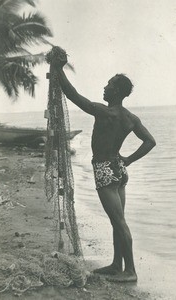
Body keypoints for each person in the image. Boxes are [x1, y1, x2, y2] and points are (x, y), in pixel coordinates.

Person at [56, 49, 156, 282]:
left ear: (117, 91)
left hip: (104, 170)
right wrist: (128, 160)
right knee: (117, 219)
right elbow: (150, 141)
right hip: (119, 170)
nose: (105, 86)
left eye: (109, 84)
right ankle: (116, 264)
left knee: (119, 222)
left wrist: (59, 69)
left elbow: (73, 95)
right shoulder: (130, 117)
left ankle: (130, 271)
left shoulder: (104, 112)